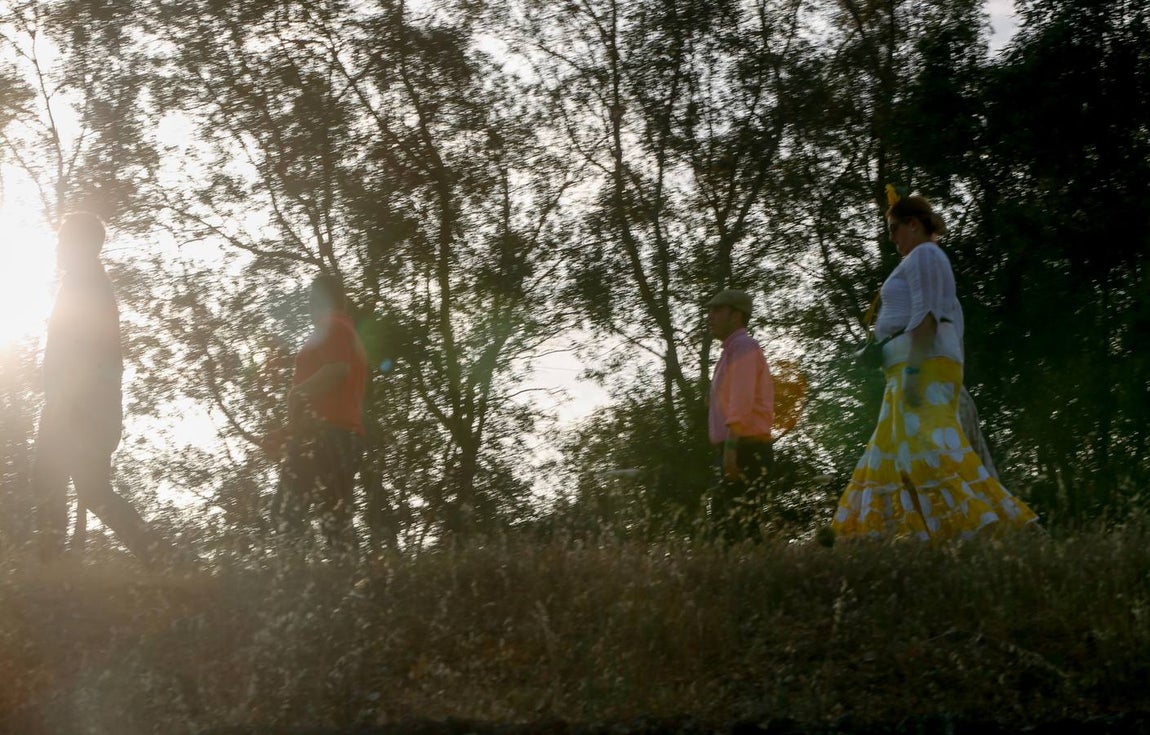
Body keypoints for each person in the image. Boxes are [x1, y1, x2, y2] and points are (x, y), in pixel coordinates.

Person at [831, 193, 1037, 540]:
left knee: (931, 454)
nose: (891, 237)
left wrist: (913, 372)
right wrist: (880, 350)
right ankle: (903, 539)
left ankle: (1001, 529)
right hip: (907, 369)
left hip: (921, 369)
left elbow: (926, 316)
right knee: (893, 458)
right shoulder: (921, 259)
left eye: (893, 228)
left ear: (913, 224)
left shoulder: (925, 254)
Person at [33, 212, 171, 564]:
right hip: (83, 406)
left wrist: (63, 402)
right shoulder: (85, 283)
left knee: (55, 484)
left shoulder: (87, 287)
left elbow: (88, 352)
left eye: (63, 240)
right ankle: (159, 556)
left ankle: (52, 566)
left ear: (81, 245)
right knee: (87, 490)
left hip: (77, 407)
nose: (57, 246)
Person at [267, 274, 368, 557]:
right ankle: (350, 577)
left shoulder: (333, 325)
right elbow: (336, 397)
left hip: (324, 437)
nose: (309, 306)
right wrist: (288, 431)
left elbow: (337, 370)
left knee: (285, 513)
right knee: (335, 521)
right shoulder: (348, 332)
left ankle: (298, 576)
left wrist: (296, 394)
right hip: (342, 437)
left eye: (312, 299)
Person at [705, 288, 775, 541]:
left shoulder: (743, 347)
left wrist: (731, 450)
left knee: (735, 533)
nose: (710, 316)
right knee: (734, 532)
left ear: (736, 316)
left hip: (744, 448)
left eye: (717, 310)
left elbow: (741, 402)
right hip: (738, 447)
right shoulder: (731, 350)